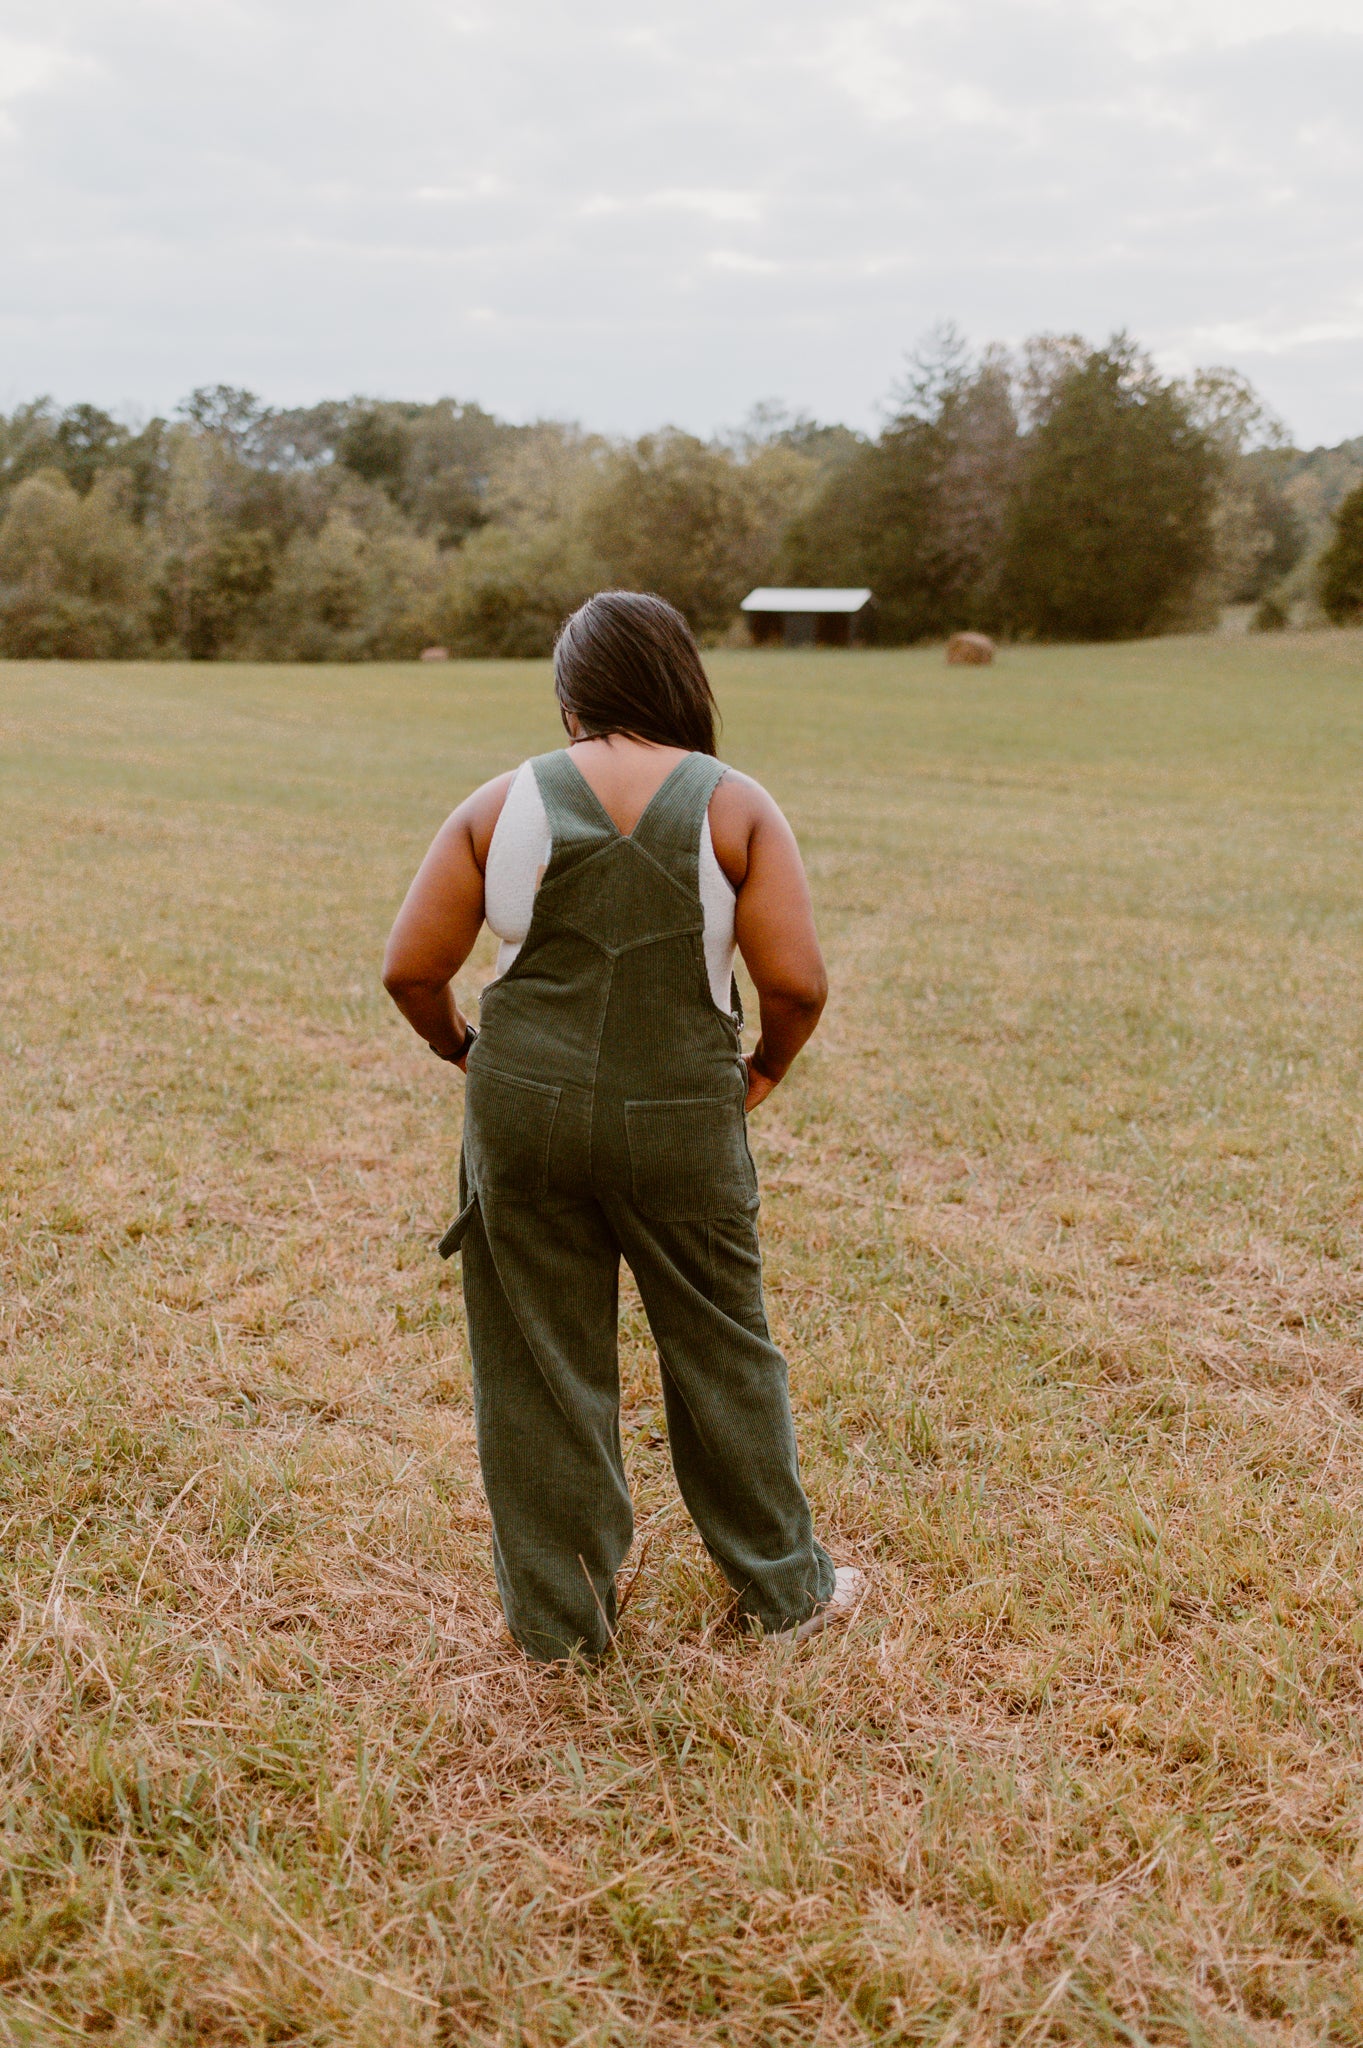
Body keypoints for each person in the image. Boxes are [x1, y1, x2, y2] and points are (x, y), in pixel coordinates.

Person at [382, 590, 863, 1662]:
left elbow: (410, 966)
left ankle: (564, 1624)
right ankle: (786, 1589)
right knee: (722, 1345)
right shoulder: (737, 805)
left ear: (572, 695)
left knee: (543, 1361)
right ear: (681, 681)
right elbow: (797, 983)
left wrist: (465, 1052)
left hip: (522, 1111)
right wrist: (764, 1071)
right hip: (682, 1111)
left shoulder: (496, 805)